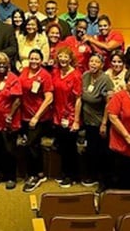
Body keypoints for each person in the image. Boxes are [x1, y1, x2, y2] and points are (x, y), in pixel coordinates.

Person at [18, 49, 54, 192]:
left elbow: (49, 98)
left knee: (31, 144)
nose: (34, 61)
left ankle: (36, 175)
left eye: (36, 59)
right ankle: (36, 173)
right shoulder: (25, 72)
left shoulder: (45, 75)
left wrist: (36, 117)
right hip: (25, 116)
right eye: (31, 58)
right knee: (31, 145)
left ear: (41, 60)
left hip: (40, 118)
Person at [0, 52, 22, 190]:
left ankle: (11, 177)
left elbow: (17, 100)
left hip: (10, 121)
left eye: (4, 63)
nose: (1, 65)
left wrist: (10, 115)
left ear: (8, 64)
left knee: (9, 150)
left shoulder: (13, 78)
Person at [79, 54, 113, 192]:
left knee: (102, 153)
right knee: (91, 150)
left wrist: (104, 123)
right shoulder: (85, 76)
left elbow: (109, 104)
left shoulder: (105, 80)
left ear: (102, 65)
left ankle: (104, 181)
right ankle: (92, 175)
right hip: (88, 121)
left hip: (100, 122)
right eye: (91, 61)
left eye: (96, 62)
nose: (93, 64)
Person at [50, 48, 81, 187]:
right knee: (62, 147)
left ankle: (72, 176)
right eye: (60, 57)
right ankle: (64, 172)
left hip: (70, 115)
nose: (63, 59)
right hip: (57, 115)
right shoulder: (55, 72)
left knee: (70, 148)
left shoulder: (75, 75)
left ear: (70, 59)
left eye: (65, 57)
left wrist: (76, 121)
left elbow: (78, 99)